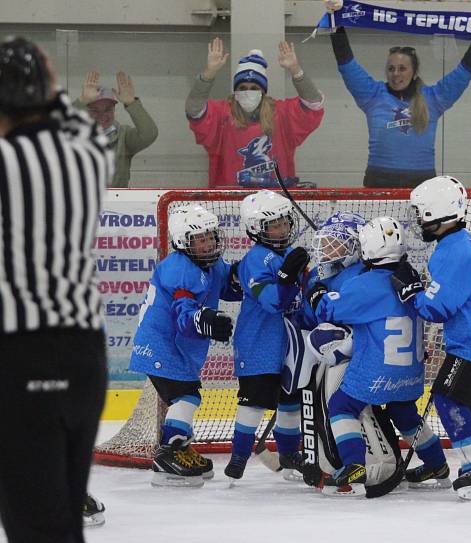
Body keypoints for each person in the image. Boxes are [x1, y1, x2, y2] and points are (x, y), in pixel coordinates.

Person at [0, 36, 112, 543]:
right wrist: (46, 81)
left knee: (34, 524)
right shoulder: (89, 155)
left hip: (20, 353)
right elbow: (78, 121)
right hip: (85, 355)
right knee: (63, 518)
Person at [389, 176, 471, 500]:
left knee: (448, 398)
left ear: (436, 213)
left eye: (421, 213)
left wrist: (410, 291)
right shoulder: (459, 243)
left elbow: (436, 309)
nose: (418, 220)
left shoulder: (454, 251)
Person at [307, 217, 450, 496]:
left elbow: (327, 312)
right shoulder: (411, 278)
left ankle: (353, 466)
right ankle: (438, 466)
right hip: (411, 371)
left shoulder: (365, 284)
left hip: (377, 372)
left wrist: (317, 290)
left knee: (342, 406)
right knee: (405, 414)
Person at [128, 205, 242, 487]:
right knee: (187, 397)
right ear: (182, 242)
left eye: (210, 236)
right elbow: (184, 313)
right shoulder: (178, 268)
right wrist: (205, 319)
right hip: (159, 345)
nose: (208, 243)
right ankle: (168, 454)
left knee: (188, 395)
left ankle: (178, 447)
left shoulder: (212, 264)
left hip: (173, 348)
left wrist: (255, 274)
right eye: (199, 239)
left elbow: (230, 285)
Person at [326, 1, 471, 188]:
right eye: (391, 68)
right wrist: (336, 21)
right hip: (379, 182)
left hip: (423, 185)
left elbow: (464, 72)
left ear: (414, 72)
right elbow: (346, 63)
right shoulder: (372, 95)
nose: (396, 73)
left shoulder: (433, 99)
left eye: (402, 68)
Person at [224, 190, 312, 480]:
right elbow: (273, 302)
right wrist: (287, 280)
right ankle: (238, 457)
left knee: (290, 402)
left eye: (285, 222)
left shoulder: (289, 254)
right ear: (256, 229)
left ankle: (289, 454)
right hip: (259, 343)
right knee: (254, 401)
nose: (283, 229)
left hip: (291, 345)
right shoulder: (255, 260)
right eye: (274, 225)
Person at [186, 38, 324, 188]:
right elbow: (194, 109)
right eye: (242, 87)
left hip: (276, 201)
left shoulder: (281, 114)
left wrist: (296, 71)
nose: (248, 92)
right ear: (235, 90)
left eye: (254, 88)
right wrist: (208, 75)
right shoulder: (222, 114)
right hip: (229, 202)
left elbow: (314, 103)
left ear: (263, 91)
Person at [75, 70, 158, 188]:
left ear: (114, 110)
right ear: (86, 112)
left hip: (116, 204)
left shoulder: (124, 135)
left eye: (107, 109)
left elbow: (150, 134)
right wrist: (81, 101)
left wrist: (131, 103)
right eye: (94, 110)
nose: (102, 115)